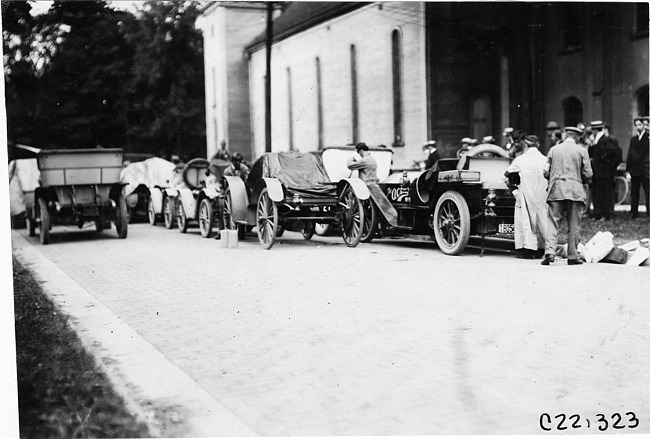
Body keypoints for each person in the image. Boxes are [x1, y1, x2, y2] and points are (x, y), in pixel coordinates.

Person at [541, 126, 593, 265]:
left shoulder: (553, 150)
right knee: (574, 223)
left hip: (556, 190)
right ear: (578, 138)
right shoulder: (582, 151)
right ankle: (572, 255)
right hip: (575, 191)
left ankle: (550, 253)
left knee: (553, 221)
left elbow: (545, 171)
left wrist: (554, 178)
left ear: (565, 136)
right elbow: (588, 174)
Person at [504, 134, 548, 259]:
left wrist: (515, 191)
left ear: (526, 145)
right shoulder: (545, 159)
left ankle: (527, 250)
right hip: (541, 195)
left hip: (525, 195)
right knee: (542, 220)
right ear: (538, 145)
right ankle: (541, 248)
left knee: (525, 220)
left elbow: (506, 175)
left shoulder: (520, 160)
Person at [589, 120, 619, 221]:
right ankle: (598, 214)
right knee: (597, 193)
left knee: (604, 193)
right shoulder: (598, 139)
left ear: (595, 129)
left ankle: (605, 215)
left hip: (603, 171)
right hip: (598, 171)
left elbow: (613, 151)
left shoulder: (605, 139)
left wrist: (603, 158)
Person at [626, 117, 649, 218]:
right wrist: (628, 170)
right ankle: (634, 212)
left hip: (644, 170)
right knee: (634, 193)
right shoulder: (634, 139)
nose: (638, 127)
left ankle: (649, 212)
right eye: (637, 125)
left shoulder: (647, 138)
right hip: (634, 170)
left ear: (644, 125)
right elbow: (629, 155)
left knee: (648, 192)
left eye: (640, 125)